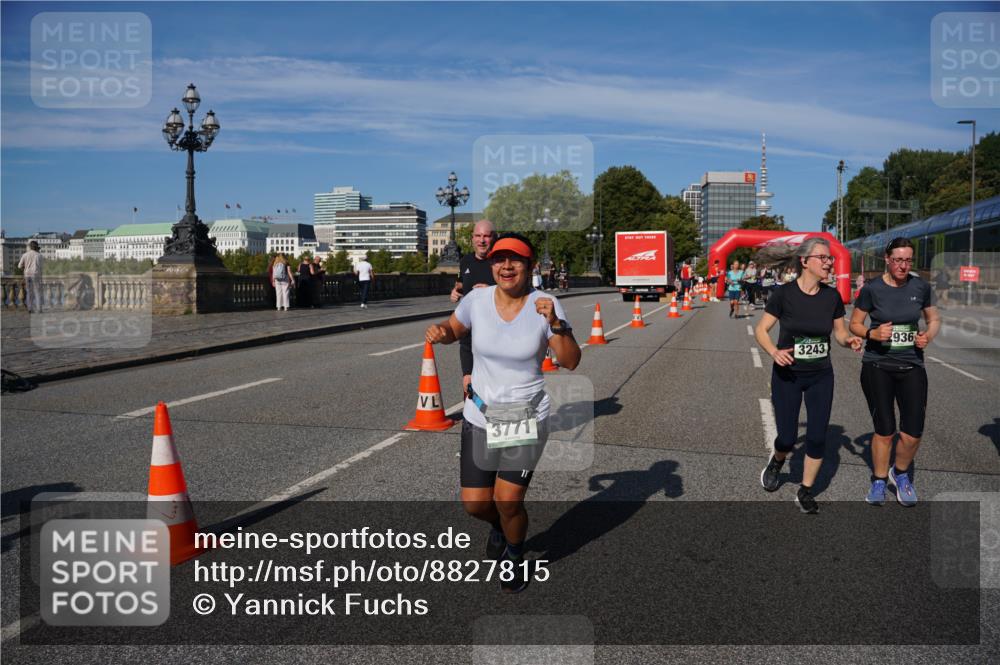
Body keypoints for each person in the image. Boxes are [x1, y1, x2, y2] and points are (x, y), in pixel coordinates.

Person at [424, 233, 581, 593]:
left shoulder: (545, 304)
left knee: (508, 500)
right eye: (499, 259)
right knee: (476, 505)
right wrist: (441, 332)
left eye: (516, 260)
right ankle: (499, 526)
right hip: (480, 414)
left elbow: (570, 361)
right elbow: (455, 328)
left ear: (529, 267)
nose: (506, 266)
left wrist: (556, 323)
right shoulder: (477, 300)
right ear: (491, 264)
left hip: (523, 415)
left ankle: (514, 552)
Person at [755, 237, 863, 514]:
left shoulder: (832, 296)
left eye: (830, 258)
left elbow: (839, 332)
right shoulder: (784, 294)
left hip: (820, 375)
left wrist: (848, 339)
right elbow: (761, 330)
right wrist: (774, 352)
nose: (830, 262)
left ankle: (805, 490)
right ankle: (777, 461)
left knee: (817, 437)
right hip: (788, 375)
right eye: (823, 258)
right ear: (805, 261)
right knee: (788, 438)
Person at [849, 238, 940, 507]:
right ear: (887, 259)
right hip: (877, 365)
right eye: (898, 260)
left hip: (912, 364)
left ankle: (899, 473)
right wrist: (871, 333)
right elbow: (854, 323)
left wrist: (928, 336)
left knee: (912, 432)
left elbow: (933, 319)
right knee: (885, 430)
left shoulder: (921, 287)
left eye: (908, 260)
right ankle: (878, 479)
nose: (904, 265)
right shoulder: (872, 289)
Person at [451, 220, 498, 395]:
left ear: (493, 237)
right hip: (469, 335)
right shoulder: (466, 261)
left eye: (486, 236)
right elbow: (461, 284)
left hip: (496, 334)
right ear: (472, 238)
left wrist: (492, 292)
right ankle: (470, 418)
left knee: (493, 388)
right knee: (469, 385)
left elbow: (517, 291)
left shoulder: (500, 262)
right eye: (478, 236)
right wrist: (455, 292)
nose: (482, 240)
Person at [18, 240, 44, 313]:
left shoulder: (25, 255)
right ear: (36, 247)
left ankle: (30, 308)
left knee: (29, 292)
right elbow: (41, 267)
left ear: (30, 247)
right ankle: (39, 309)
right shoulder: (39, 255)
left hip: (27, 275)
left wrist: (25, 267)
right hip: (36, 275)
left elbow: (19, 266)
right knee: (37, 292)